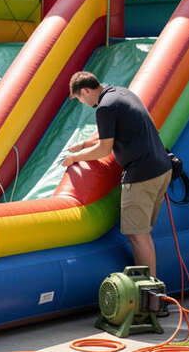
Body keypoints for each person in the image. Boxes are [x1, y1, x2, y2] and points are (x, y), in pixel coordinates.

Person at [63, 71, 172, 279]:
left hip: (142, 174)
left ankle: (148, 291)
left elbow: (104, 150)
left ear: (86, 91)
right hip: (161, 169)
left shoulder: (104, 107)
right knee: (142, 235)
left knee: (137, 235)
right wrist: (86, 144)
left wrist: (74, 159)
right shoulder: (121, 93)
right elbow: (120, 131)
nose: (82, 102)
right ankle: (150, 288)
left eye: (79, 98)